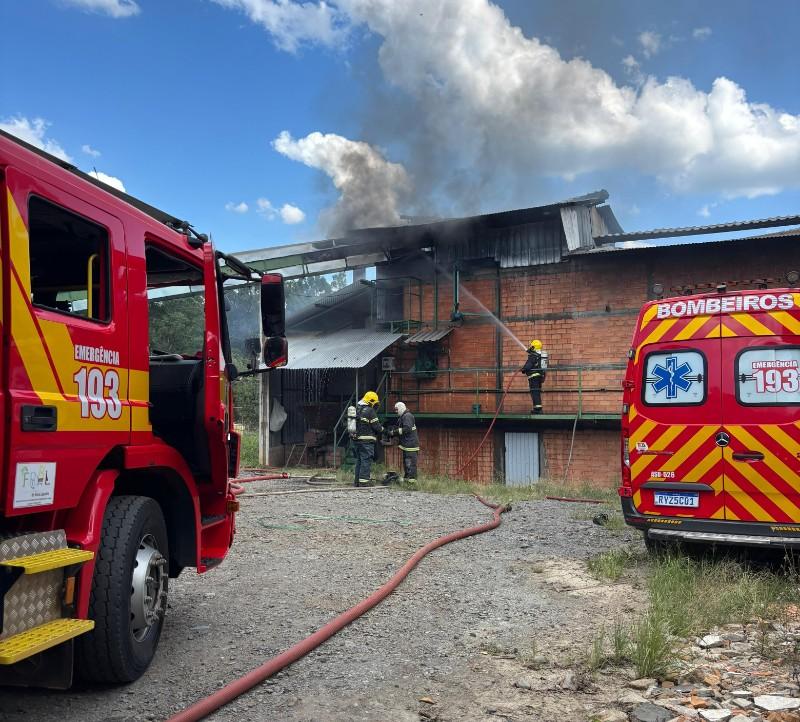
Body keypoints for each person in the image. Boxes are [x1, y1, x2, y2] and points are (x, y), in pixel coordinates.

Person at [353, 391, 382, 487]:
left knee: (359, 461)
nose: (375, 405)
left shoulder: (358, 409)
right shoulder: (370, 411)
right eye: (375, 403)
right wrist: (384, 430)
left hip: (357, 440)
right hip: (367, 441)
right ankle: (364, 482)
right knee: (366, 460)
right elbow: (377, 427)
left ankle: (357, 482)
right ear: (371, 401)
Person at [390, 401, 419, 485]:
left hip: (411, 445)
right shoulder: (404, 416)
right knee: (407, 464)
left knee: (410, 464)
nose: (396, 412)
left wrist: (394, 432)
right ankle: (407, 481)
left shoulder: (407, 416)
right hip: (408, 445)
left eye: (396, 410)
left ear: (401, 408)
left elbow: (407, 429)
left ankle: (411, 483)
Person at [521, 339, 546, 414]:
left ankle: (538, 410)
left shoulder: (533, 356)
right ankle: (537, 408)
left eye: (531, 346)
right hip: (540, 377)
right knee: (536, 392)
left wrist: (523, 369)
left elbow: (528, 366)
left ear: (533, 347)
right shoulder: (540, 355)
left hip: (533, 377)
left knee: (534, 392)